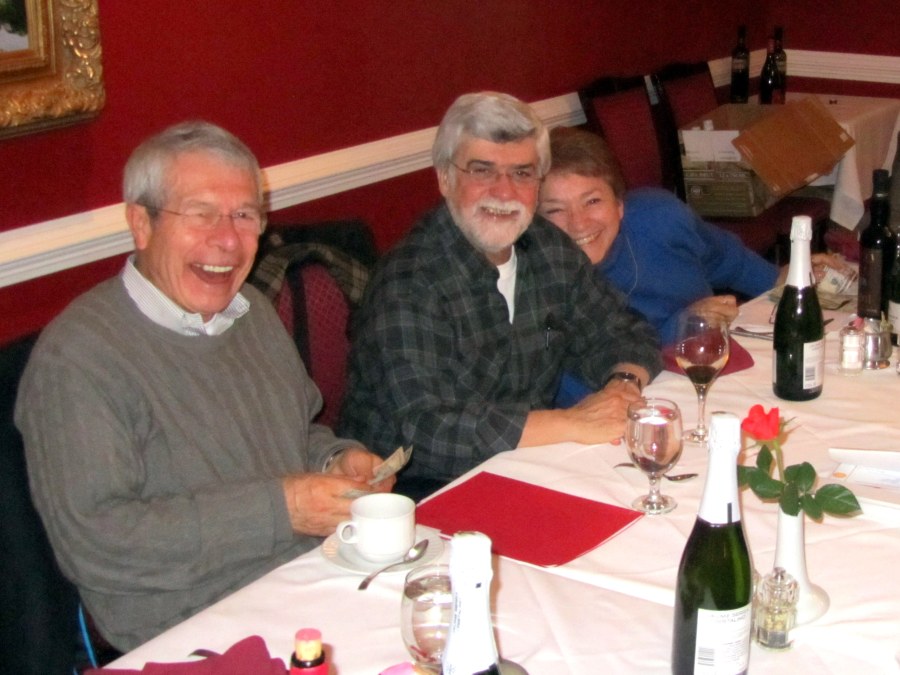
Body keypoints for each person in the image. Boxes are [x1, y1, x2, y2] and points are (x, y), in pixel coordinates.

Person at [14, 121, 393, 651]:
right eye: (200, 214)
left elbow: (294, 435)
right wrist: (282, 509)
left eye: (244, 215)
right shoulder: (78, 360)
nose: (227, 240)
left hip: (307, 582)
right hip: (192, 629)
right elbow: (100, 542)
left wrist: (337, 462)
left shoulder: (250, 313)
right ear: (140, 224)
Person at [338, 92, 662, 500]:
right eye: (482, 171)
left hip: (524, 470)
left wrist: (622, 386)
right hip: (414, 498)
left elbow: (624, 331)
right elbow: (430, 432)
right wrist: (572, 422)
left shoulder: (548, 249)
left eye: (523, 173)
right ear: (444, 177)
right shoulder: (409, 280)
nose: (504, 192)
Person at [539, 127, 851, 406]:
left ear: (619, 204)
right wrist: (687, 326)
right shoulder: (536, 282)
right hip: (630, 407)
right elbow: (573, 392)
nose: (578, 223)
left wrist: (781, 279)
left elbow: (728, 259)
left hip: (717, 380)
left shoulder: (658, 216)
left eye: (592, 201)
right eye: (555, 210)